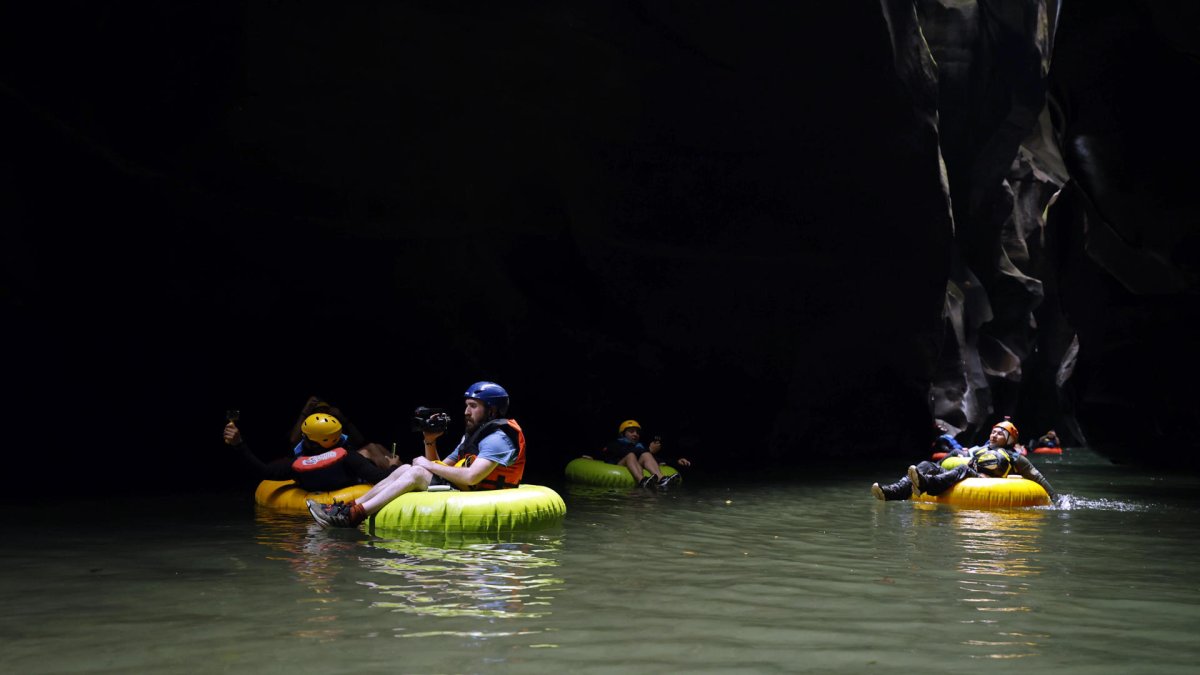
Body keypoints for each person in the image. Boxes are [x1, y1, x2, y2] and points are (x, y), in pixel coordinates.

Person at [306, 381, 527, 528]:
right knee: (405, 468)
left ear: (492, 410)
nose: (466, 412)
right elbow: (440, 464)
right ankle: (348, 507)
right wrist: (430, 439)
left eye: (473, 406)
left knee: (416, 472)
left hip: (481, 493)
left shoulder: (498, 438)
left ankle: (355, 516)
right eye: (466, 406)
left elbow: (471, 477)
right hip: (465, 488)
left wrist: (426, 465)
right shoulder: (474, 435)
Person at [871, 419, 1058, 502]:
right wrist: (941, 464)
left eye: (1000, 433)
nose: (994, 434)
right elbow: (963, 460)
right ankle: (893, 492)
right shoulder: (981, 450)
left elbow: (1037, 477)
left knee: (964, 470)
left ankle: (927, 484)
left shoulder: (1016, 457)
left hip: (986, 480)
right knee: (927, 465)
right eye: (993, 431)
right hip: (970, 474)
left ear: (1009, 439)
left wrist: (1056, 498)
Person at [224, 412, 398, 492]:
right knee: (374, 449)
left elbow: (262, 470)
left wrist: (239, 444)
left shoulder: (295, 466)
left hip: (314, 487)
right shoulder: (348, 458)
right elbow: (381, 478)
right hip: (352, 482)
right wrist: (392, 466)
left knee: (371, 449)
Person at [288, 395, 396, 471]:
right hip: (326, 464)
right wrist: (305, 411)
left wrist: (342, 418)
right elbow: (293, 441)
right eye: (319, 410)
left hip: (337, 459)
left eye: (325, 410)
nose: (323, 413)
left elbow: (360, 440)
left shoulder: (332, 428)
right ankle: (394, 472)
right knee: (369, 450)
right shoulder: (309, 431)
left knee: (375, 446)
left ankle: (403, 469)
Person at [589, 420, 680, 489]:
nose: (635, 434)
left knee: (646, 455)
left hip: (635, 464)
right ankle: (642, 480)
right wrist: (592, 457)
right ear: (623, 434)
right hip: (620, 465)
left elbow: (654, 458)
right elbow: (621, 452)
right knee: (631, 455)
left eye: (637, 432)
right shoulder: (615, 444)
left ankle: (662, 480)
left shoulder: (640, 447)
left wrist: (676, 461)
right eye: (631, 431)